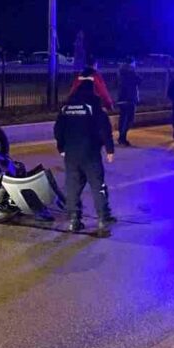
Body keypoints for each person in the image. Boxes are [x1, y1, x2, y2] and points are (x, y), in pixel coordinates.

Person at [55, 78, 116, 237]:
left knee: (73, 187)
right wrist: (109, 149)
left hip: (71, 154)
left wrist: (61, 147)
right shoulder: (94, 106)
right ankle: (103, 219)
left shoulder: (66, 107)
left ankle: (74, 220)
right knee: (98, 186)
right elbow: (104, 128)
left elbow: (58, 129)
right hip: (90, 153)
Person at [116, 58, 140, 146]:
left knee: (123, 119)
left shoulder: (121, 72)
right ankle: (122, 138)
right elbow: (139, 80)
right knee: (128, 119)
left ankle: (122, 137)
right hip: (129, 99)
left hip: (123, 98)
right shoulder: (130, 73)